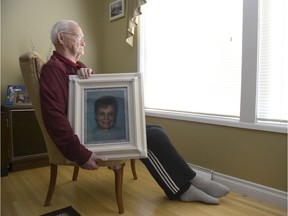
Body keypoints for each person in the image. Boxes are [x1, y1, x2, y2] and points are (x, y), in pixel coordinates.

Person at [40, 20, 229, 205]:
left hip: (93, 130)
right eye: (79, 37)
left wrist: (85, 75)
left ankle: (187, 185)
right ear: (61, 37)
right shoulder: (53, 70)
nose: (83, 42)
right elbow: (54, 118)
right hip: (83, 138)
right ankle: (186, 187)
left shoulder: (76, 67)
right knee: (152, 137)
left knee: (157, 130)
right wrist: (81, 154)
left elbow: (94, 100)